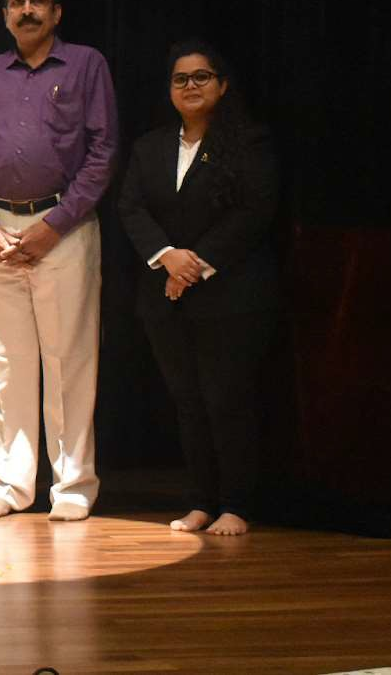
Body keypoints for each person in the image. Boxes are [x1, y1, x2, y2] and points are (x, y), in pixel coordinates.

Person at [0, 0, 117, 521]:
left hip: (63, 230)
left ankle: (71, 487)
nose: (27, 11)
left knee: (68, 360)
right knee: (6, 361)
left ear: (57, 12)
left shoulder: (86, 65)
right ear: (5, 16)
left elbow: (102, 153)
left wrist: (55, 224)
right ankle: (11, 485)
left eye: (38, 2)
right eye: (18, 4)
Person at [118, 40, 278, 536]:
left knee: (227, 400)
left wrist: (194, 265)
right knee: (187, 402)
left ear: (223, 85)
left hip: (230, 296)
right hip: (164, 296)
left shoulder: (250, 142)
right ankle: (202, 501)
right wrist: (168, 258)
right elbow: (131, 208)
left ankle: (236, 504)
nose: (190, 86)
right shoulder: (150, 146)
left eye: (201, 77)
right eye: (180, 79)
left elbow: (254, 213)